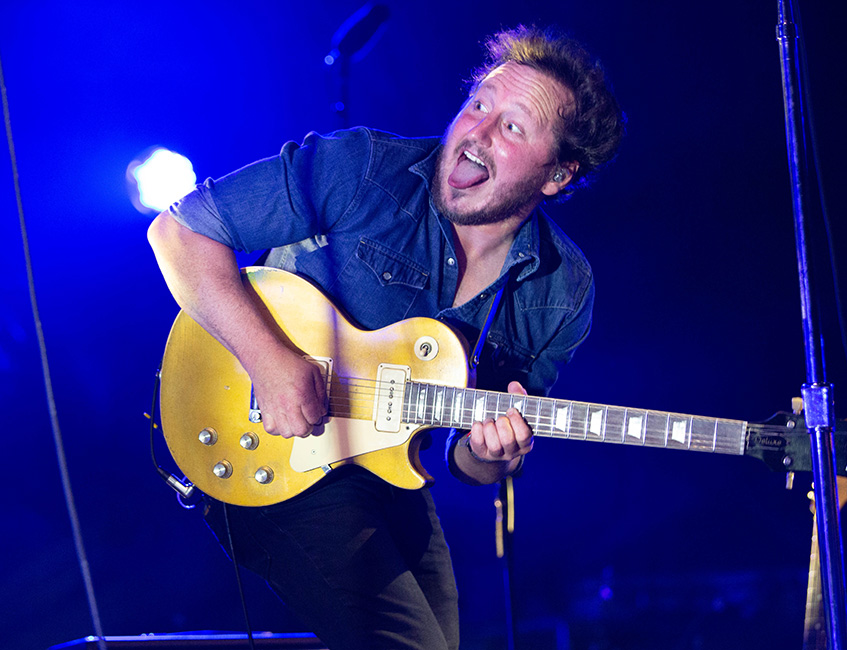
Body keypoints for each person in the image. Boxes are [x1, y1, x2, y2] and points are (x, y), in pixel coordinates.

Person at [148, 24, 624, 650]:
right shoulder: (366, 168)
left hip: (384, 472)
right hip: (265, 440)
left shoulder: (562, 291)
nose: (476, 132)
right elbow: (178, 233)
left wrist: (492, 454)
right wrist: (271, 361)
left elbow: (465, 461)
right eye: (478, 103)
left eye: (512, 127)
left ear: (558, 175)